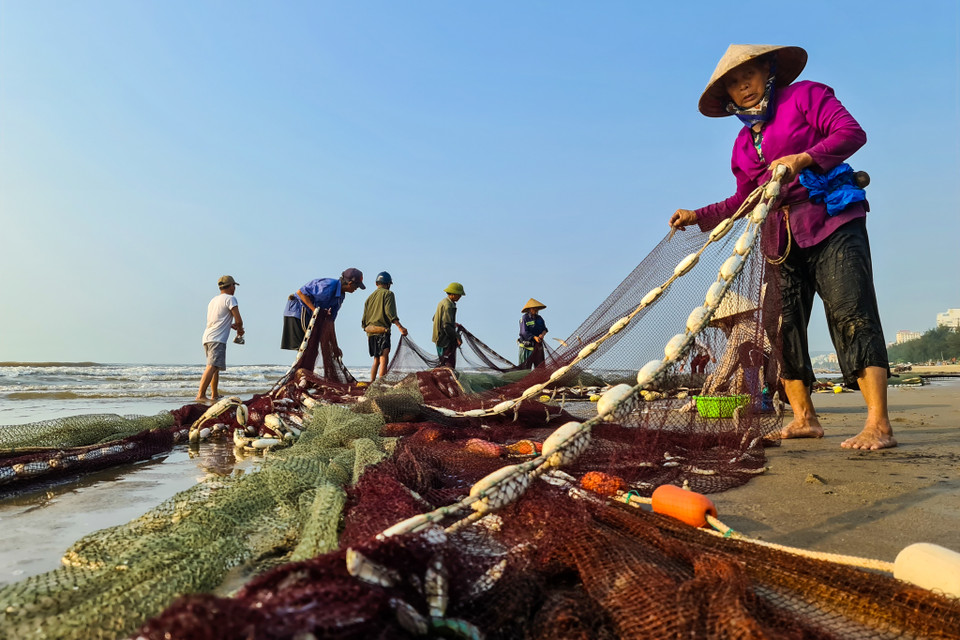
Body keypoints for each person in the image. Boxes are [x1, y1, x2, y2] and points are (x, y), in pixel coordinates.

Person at [669, 44, 895, 450]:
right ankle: (804, 418)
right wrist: (697, 216)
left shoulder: (807, 96)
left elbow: (851, 133)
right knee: (782, 325)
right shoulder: (742, 144)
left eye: (748, 76)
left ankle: (878, 423)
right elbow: (744, 199)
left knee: (851, 311)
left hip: (831, 220)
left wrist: (804, 158)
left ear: (768, 71)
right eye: (734, 85)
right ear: (728, 98)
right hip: (778, 237)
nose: (744, 88)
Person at [281, 269, 365, 379]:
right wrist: (316, 311)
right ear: (350, 283)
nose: (356, 289)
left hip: (311, 316)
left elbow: (330, 321)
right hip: (298, 312)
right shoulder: (328, 285)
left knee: (312, 351)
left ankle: (304, 377)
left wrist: (335, 346)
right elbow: (301, 293)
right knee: (306, 349)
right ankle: (296, 378)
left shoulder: (340, 296)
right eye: (356, 286)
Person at [196, 275, 244, 403]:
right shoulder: (231, 299)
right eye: (234, 286)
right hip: (217, 339)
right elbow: (239, 320)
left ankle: (214, 394)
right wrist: (240, 330)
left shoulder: (213, 300)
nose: (235, 288)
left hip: (207, 336)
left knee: (215, 367)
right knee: (212, 366)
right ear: (232, 286)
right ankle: (200, 395)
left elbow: (217, 319)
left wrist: (230, 325)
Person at [361, 271, 408, 383]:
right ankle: (381, 385)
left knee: (376, 360)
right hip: (382, 331)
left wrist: (369, 333)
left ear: (376, 283)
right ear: (388, 284)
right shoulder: (388, 294)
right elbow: (390, 313)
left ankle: (372, 383)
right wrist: (400, 327)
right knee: (383, 359)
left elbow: (364, 320)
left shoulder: (369, 298)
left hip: (371, 332)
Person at [433, 282, 464, 369]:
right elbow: (446, 325)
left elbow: (434, 318)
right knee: (447, 364)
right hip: (444, 340)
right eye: (459, 295)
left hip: (438, 338)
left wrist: (452, 323)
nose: (460, 297)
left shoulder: (442, 302)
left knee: (442, 362)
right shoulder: (449, 305)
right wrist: (457, 336)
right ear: (453, 294)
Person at [518, 298, 548, 369]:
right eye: (534, 308)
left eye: (537, 309)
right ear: (529, 309)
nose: (536, 310)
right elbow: (524, 332)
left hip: (537, 347)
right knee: (525, 370)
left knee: (540, 369)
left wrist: (542, 335)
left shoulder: (539, 318)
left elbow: (545, 329)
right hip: (526, 348)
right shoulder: (525, 318)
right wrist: (534, 337)